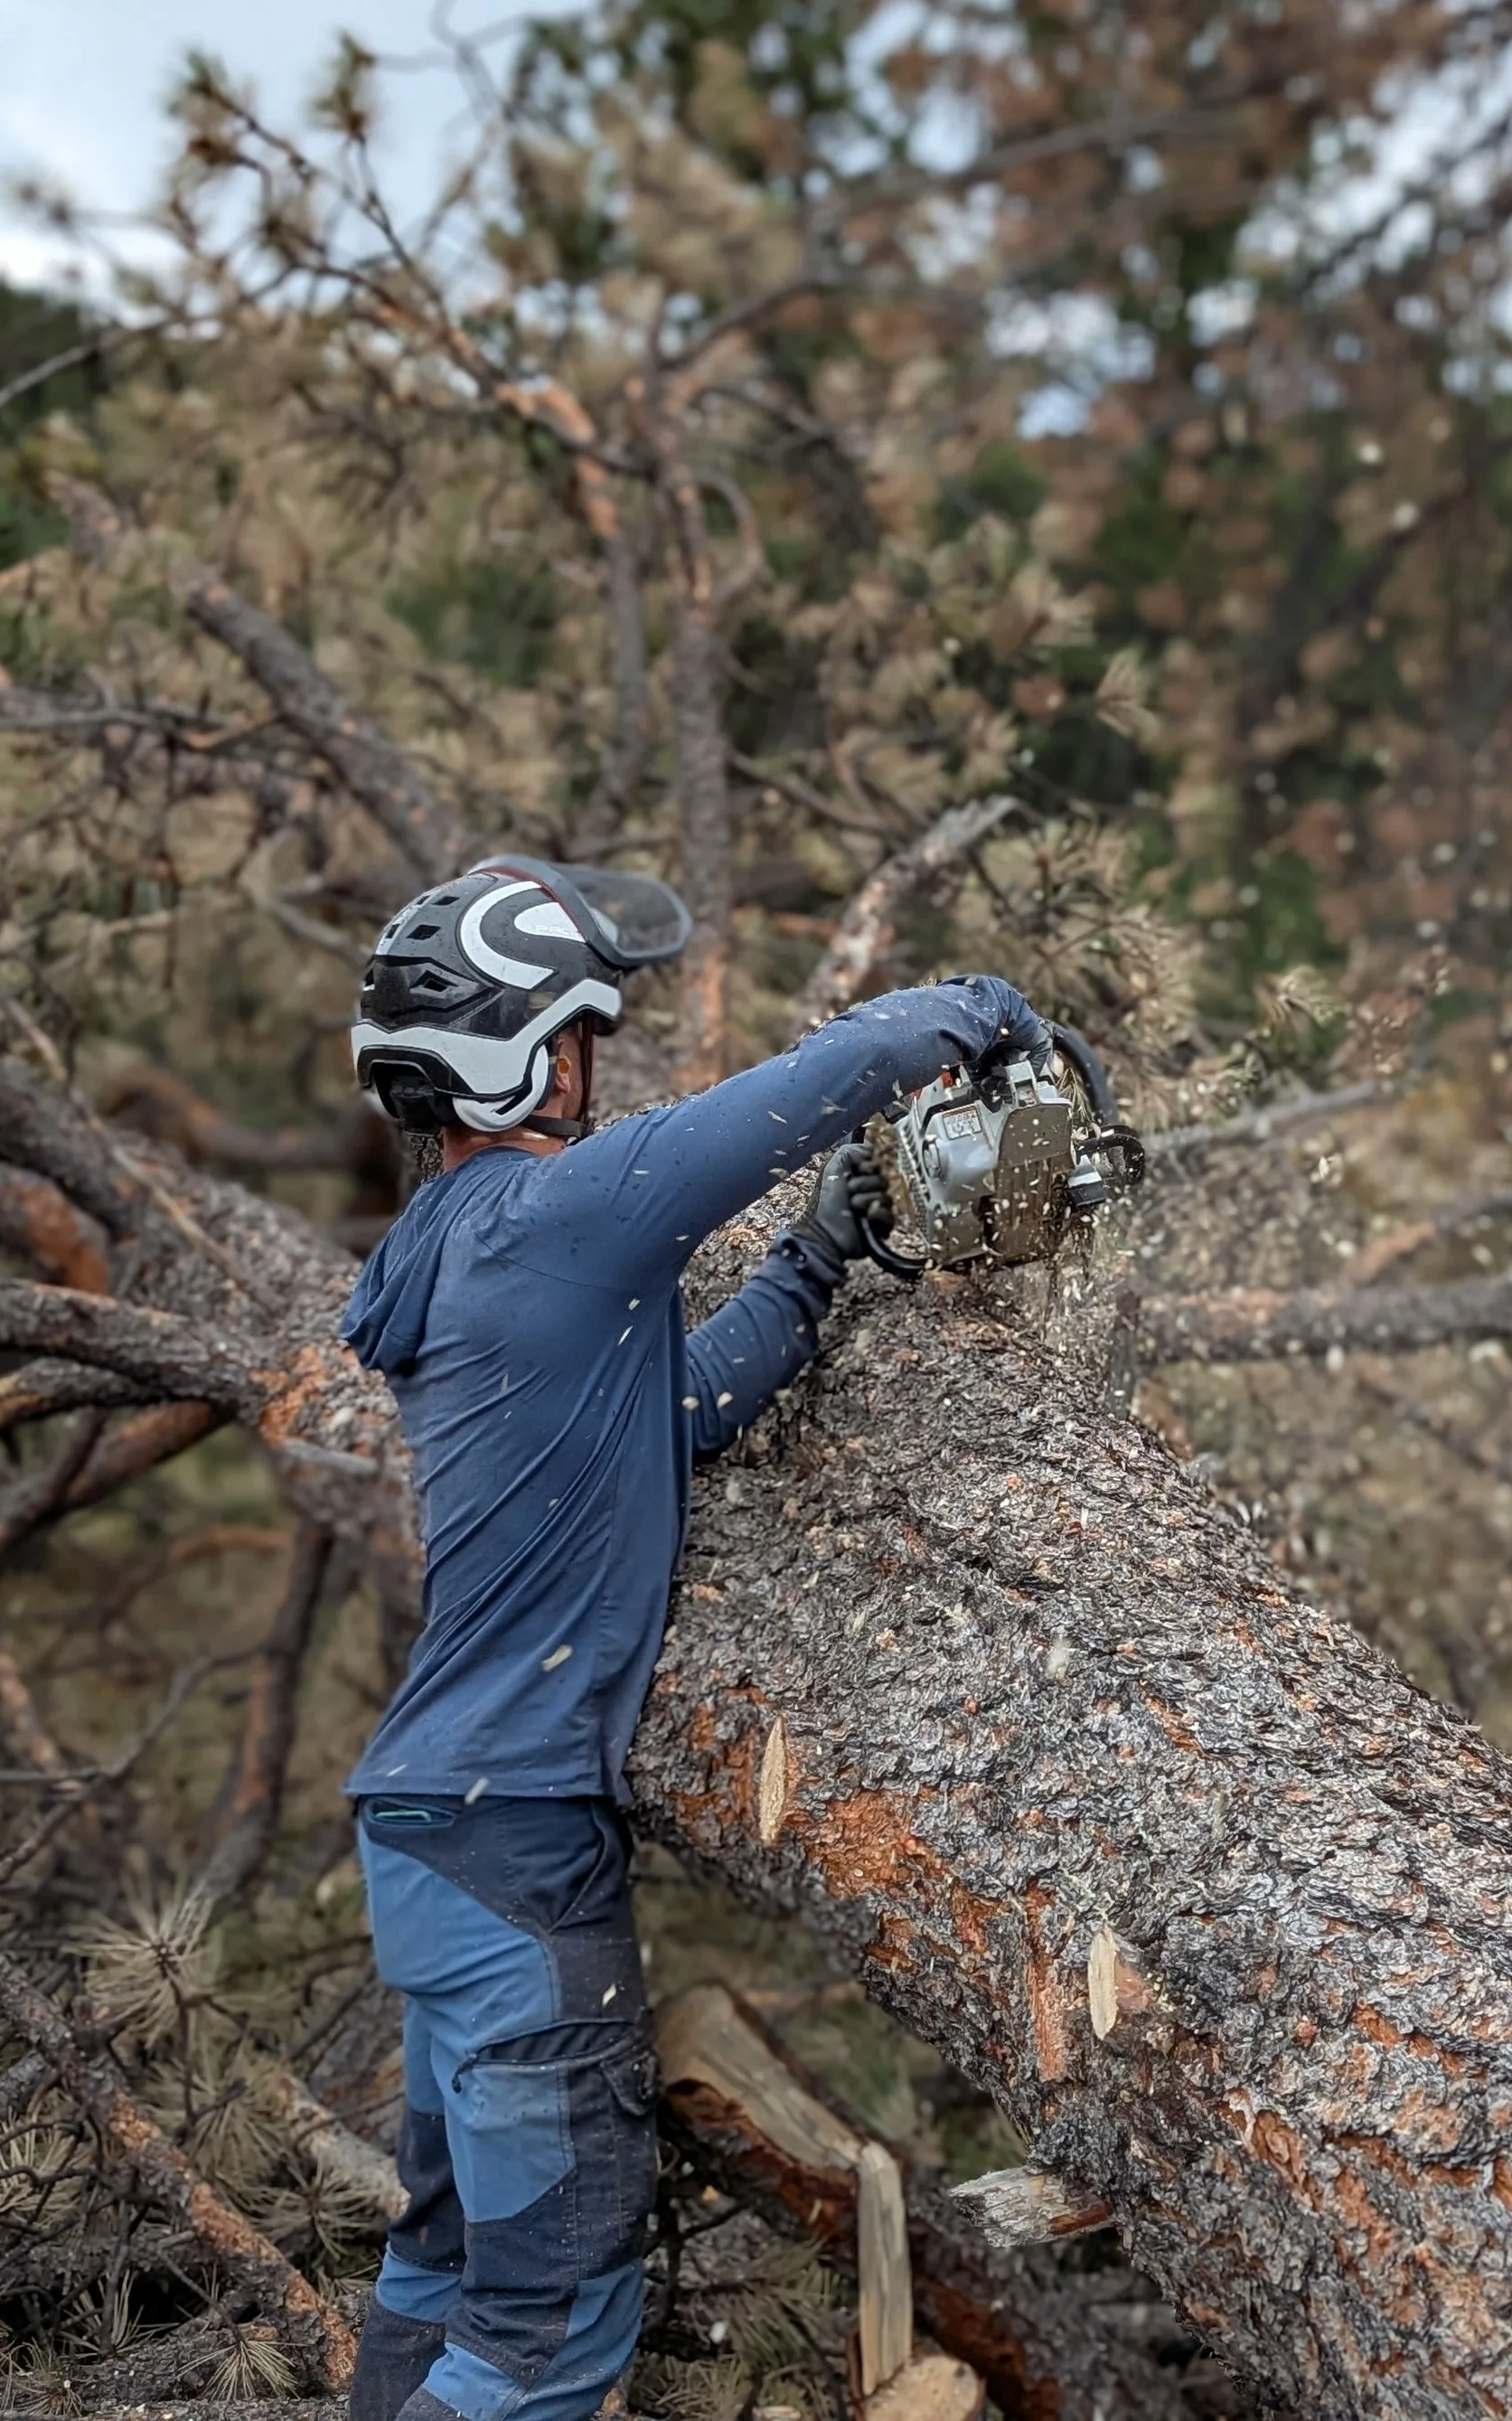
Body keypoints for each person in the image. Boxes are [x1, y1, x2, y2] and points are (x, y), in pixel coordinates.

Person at [340, 854, 1049, 2421]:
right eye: (577, 1036)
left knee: (448, 2263)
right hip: (517, 1851)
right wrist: (995, 1017)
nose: (595, 1072)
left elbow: (666, 1418)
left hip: (437, 1837)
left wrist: (812, 1262)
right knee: (556, 2309)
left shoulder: (461, 1246)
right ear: (511, 1053)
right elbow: (835, 1076)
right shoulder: (560, 1210)